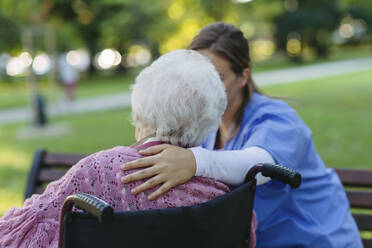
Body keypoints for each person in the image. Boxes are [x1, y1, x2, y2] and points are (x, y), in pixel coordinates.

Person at [121, 22, 362, 247]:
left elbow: (261, 166)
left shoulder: (276, 119)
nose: (203, 88)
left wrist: (194, 161)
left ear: (243, 77)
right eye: (196, 78)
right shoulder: (204, 127)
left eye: (217, 78)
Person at [0, 50, 257, 248]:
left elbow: (18, 234)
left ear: (141, 112)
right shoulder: (223, 192)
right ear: (211, 117)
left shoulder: (100, 172)